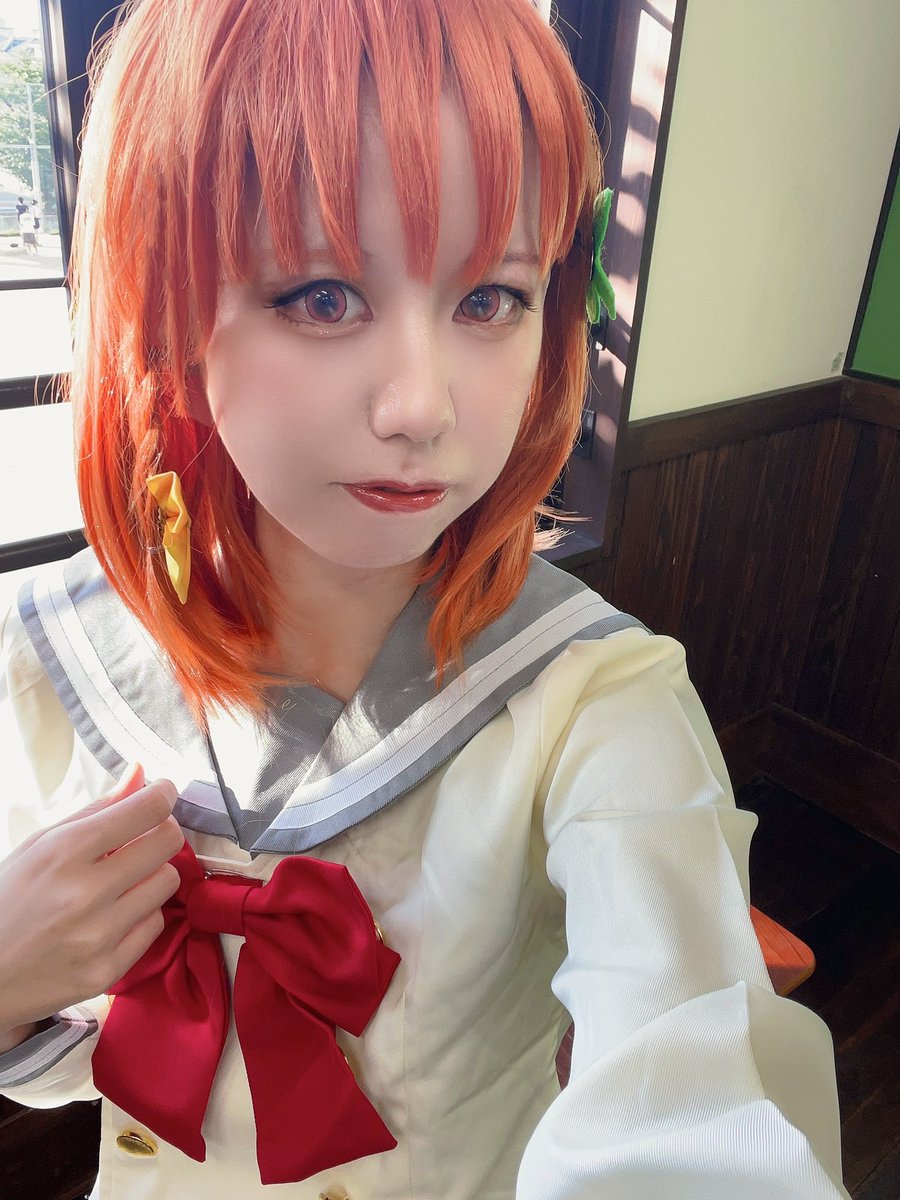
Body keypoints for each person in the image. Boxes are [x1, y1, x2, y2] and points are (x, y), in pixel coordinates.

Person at [0, 1, 851, 1197]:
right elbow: (76, 1067)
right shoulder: (45, 658)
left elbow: (685, 1101)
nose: (421, 407)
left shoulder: (598, 706)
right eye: (322, 296)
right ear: (171, 309)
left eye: (490, 299)